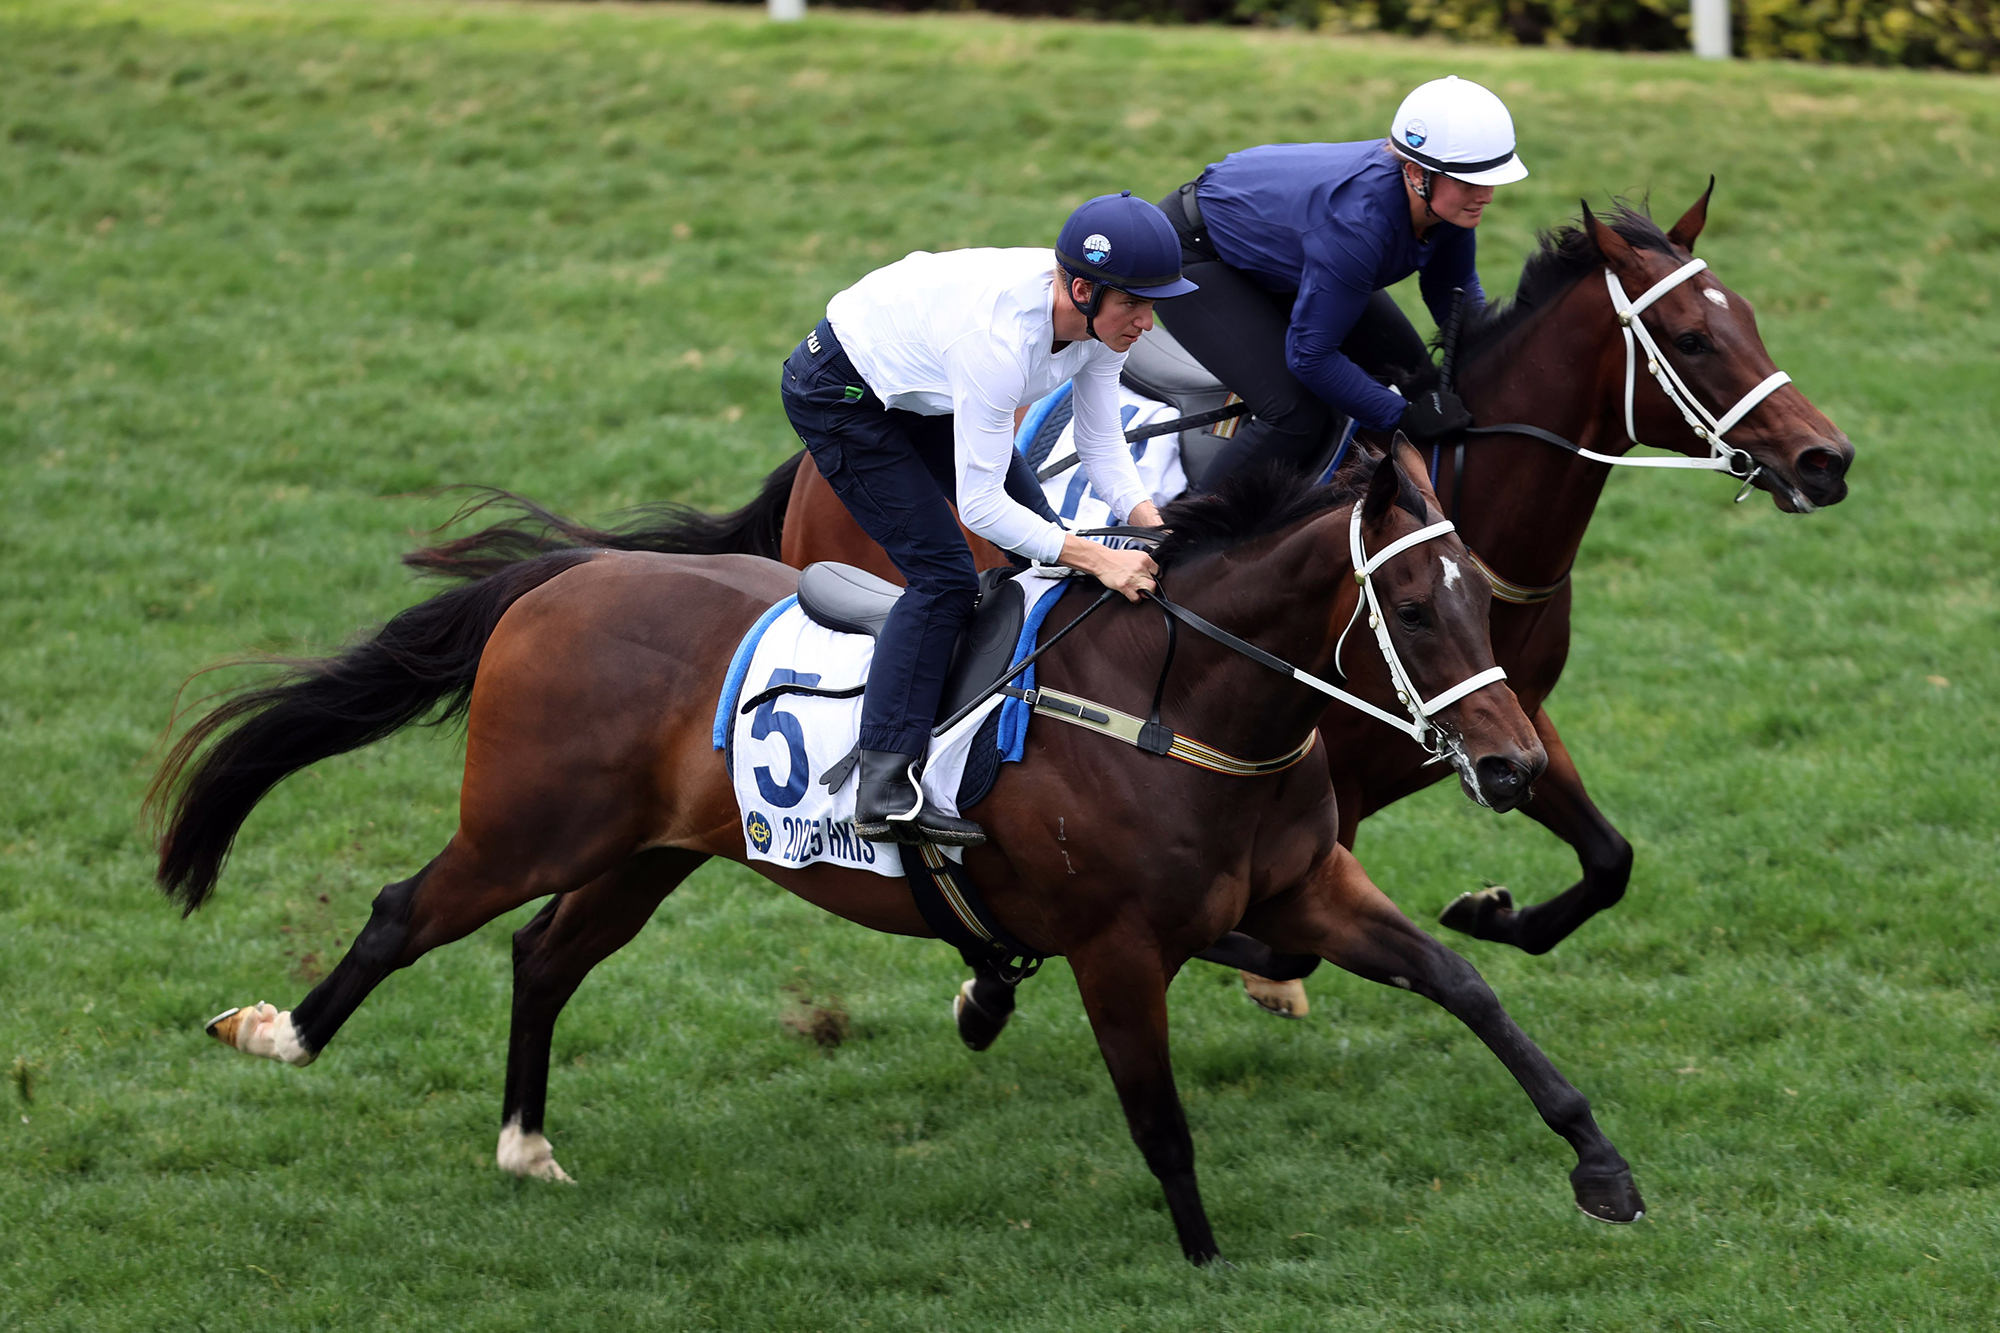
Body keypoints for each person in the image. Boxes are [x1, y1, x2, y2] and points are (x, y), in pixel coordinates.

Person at [780, 192, 1196, 848]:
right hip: (843, 394)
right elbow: (979, 507)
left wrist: (1152, 526)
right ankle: (883, 783)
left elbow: (1100, 440)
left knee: (1044, 546)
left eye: (1154, 304)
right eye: (1135, 305)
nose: (1147, 322)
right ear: (1082, 290)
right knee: (944, 575)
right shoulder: (999, 342)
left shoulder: (1104, 324)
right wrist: (1097, 555)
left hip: (925, 381)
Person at [1154, 75, 1529, 489]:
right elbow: (1311, 357)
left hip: (1287, 249)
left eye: (1491, 179)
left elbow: (1452, 291)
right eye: (1470, 182)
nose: (1486, 195)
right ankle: (1186, 524)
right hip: (1193, 255)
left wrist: (1501, 359)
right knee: (1296, 414)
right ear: (1415, 173)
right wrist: (1404, 417)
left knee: (1414, 374)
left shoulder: (1445, 205)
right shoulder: (1358, 226)